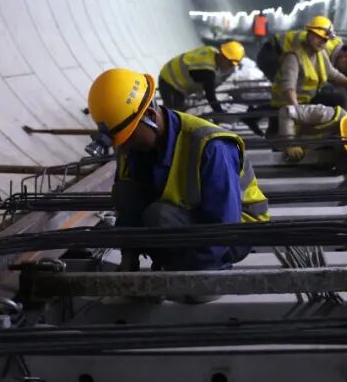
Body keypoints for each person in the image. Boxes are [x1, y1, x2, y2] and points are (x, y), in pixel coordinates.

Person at [87, 68, 269, 283]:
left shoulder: (210, 146)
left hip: (235, 232)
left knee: (159, 215)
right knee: (124, 191)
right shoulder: (131, 146)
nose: (124, 146)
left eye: (129, 137)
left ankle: (204, 269)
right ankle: (170, 260)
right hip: (189, 218)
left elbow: (224, 225)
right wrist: (129, 255)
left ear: (150, 116)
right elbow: (128, 208)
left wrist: (181, 275)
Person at [271, 16, 347, 117]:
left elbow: (333, 75)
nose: (321, 42)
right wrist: (297, 112)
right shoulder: (294, 57)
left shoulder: (321, 54)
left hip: (307, 101)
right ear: (309, 33)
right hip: (286, 106)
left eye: (325, 40)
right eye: (318, 37)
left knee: (339, 99)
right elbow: (288, 88)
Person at [158, 41, 245, 112]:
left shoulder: (210, 50)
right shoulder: (208, 72)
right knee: (172, 114)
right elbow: (210, 96)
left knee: (176, 111)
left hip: (168, 74)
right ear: (224, 58)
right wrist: (220, 113)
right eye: (231, 64)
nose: (230, 67)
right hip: (170, 83)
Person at [255, 15, 342, 81]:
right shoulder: (310, 44)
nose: (323, 42)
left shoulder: (323, 42)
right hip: (271, 52)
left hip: (271, 44)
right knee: (285, 79)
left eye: (325, 40)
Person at [277, 105, 347, 162]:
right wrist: (290, 142)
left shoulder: (342, 132)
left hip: (291, 156)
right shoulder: (324, 114)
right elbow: (286, 112)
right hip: (278, 138)